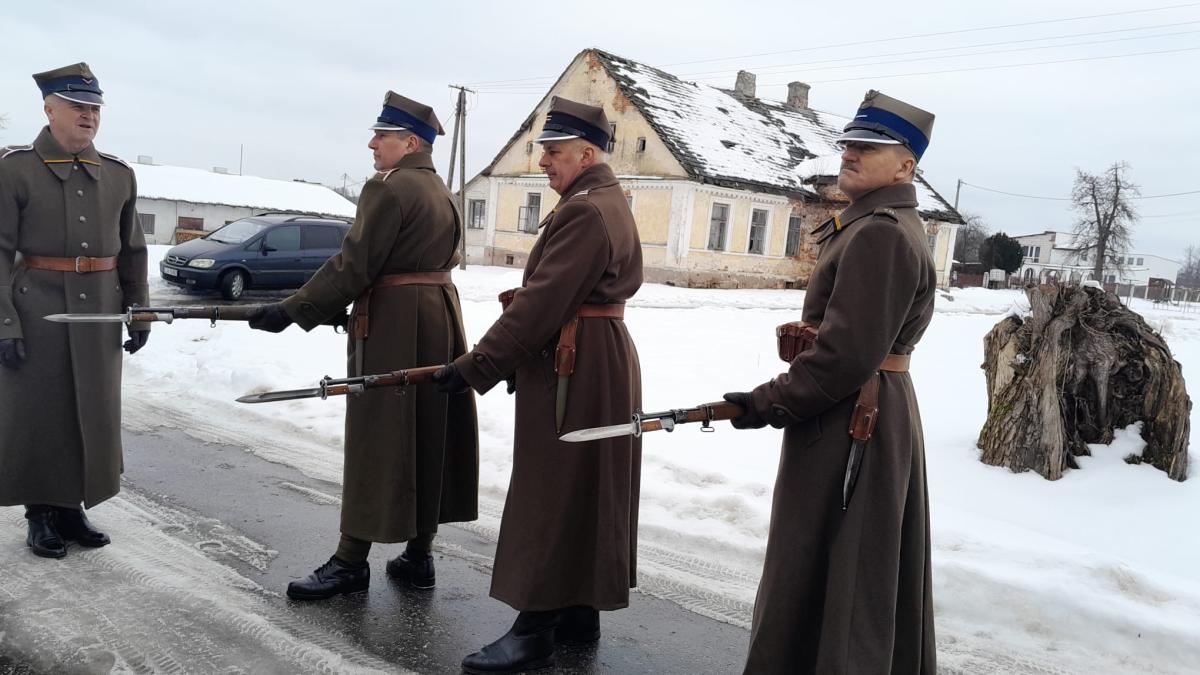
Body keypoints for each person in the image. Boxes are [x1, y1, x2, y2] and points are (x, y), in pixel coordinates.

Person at [723, 90, 938, 674]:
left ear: (905, 166)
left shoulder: (881, 233)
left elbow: (845, 357)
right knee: (830, 570)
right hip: (855, 410)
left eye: (867, 147)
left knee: (844, 575)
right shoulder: (871, 225)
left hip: (853, 418)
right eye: (848, 144)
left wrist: (765, 403)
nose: (849, 154)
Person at [434, 96, 643, 674]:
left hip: (575, 363)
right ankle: (578, 609)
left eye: (554, 151)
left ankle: (534, 629)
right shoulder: (602, 201)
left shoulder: (585, 211)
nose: (544, 161)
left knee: (553, 487)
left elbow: (541, 305)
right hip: (590, 358)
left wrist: (477, 366)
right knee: (585, 485)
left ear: (586, 153)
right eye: (543, 151)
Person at [248, 92, 478, 600]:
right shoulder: (442, 191)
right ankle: (419, 555)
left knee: (379, 437)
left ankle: (350, 562)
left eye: (382, 136)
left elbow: (353, 265)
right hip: (438, 319)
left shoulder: (388, 188)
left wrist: (292, 310)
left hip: (394, 327)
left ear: (410, 143)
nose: (372, 144)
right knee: (427, 433)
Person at [0, 62, 150, 558]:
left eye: (94, 108)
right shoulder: (14, 169)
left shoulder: (119, 174)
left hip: (100, 313)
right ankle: (40, 513)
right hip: (37, 310)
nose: (88, 116)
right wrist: (4, 322)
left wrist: (140, 310)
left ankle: (70, 507)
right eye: (77, 106)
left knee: (91, 411)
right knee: (41, 411)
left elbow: (133, 249)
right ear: (49, 109)